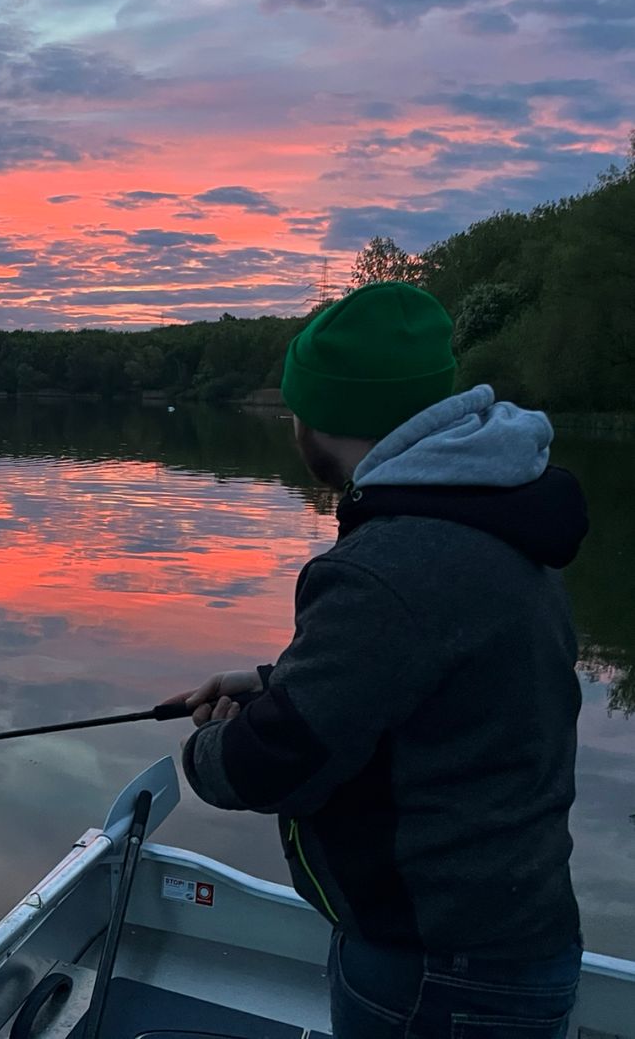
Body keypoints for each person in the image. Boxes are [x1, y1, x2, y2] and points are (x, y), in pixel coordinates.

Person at [175, 281, 588, 1039]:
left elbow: (280, 760)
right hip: (520, 940)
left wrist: (204, 753)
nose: (293, 426)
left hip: (434, 970)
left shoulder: (385, 564)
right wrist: (273, 684)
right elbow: (441, 683)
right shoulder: (501, 514)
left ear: (326, 418)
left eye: (297, 409)